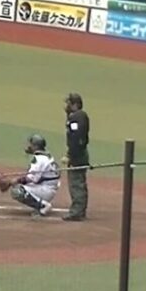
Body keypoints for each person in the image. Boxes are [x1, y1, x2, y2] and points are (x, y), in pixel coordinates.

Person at [5, 134, 61, 217]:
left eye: (30, 144)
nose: (29, 146)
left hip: (45, 190)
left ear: (35, 146)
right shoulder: (47, 156)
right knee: (21, 185)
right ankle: (41, 202)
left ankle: (43, 206)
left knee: (17, 191)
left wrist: (15, 181)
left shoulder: (39, 159)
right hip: (49, 187)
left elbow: (32, 178)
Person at [63, 92, 91, 221]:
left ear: (75, 104)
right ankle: (79, 210)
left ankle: (77, 212)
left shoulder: (77, 118)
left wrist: (71, 156)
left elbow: (76, 138)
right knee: (78, 182)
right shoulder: (78, 116)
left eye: (68, 103)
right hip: (80, 154)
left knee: (76, 184)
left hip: (78, 155)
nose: (66, 106)